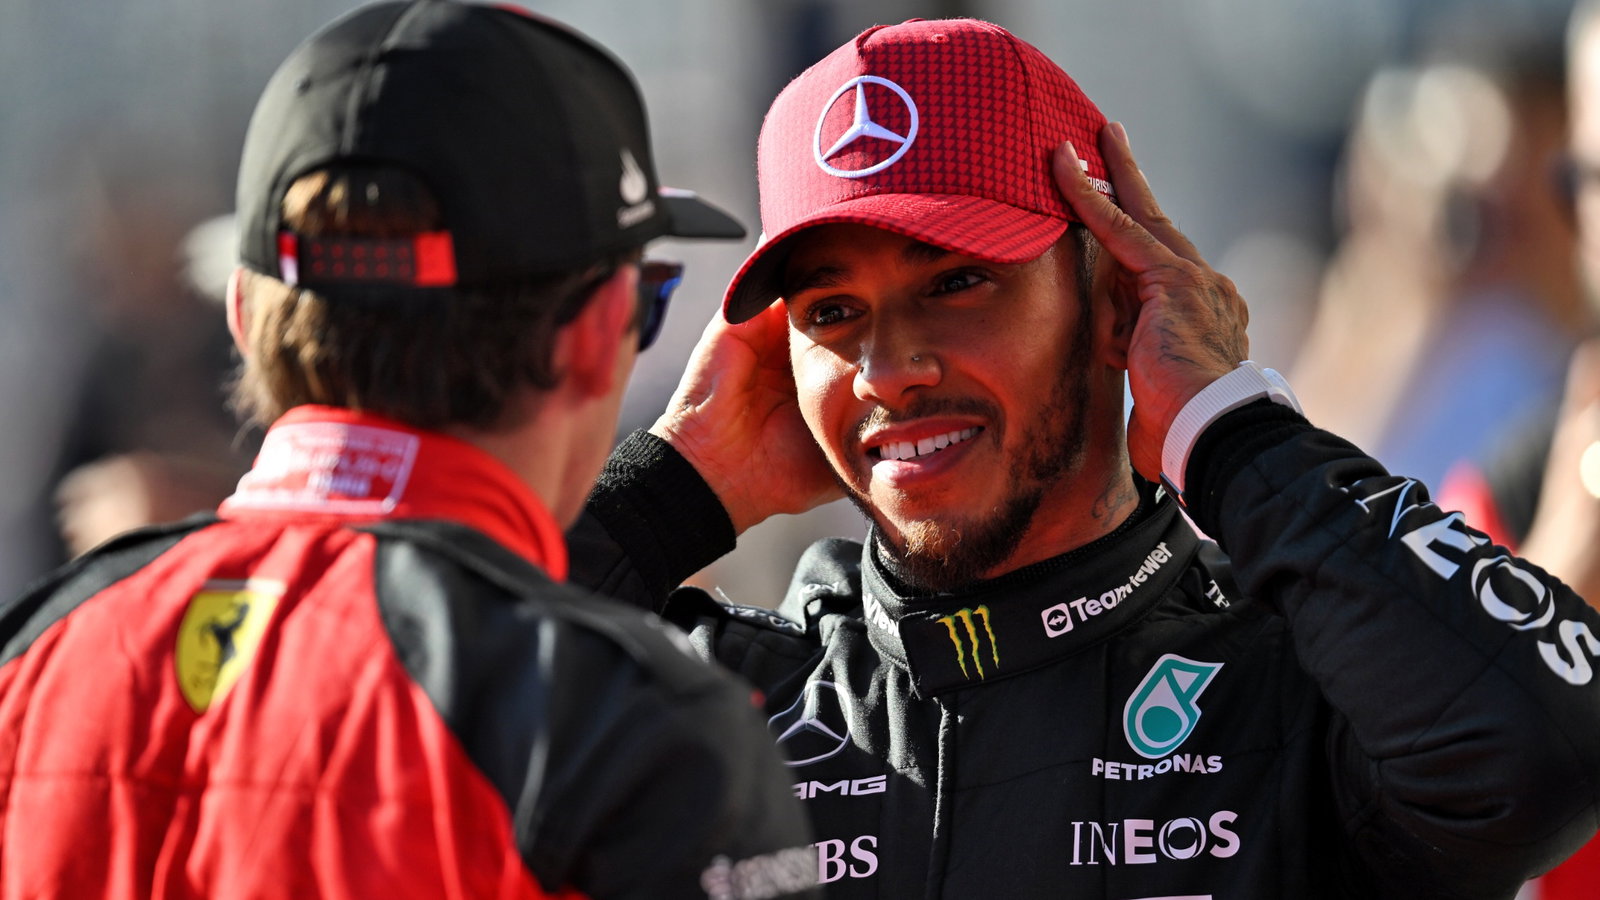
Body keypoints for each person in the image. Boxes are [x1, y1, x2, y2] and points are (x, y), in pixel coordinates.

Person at [569, 18, 1600, 898]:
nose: (888, 370)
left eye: (956, 282)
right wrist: (667, 493)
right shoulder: (723, 705)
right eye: (831, 312)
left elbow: (1550, 748)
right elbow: (461, 730)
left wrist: (1229, 430)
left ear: (1115, 301)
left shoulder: (1306, 696)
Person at [0, 3, 819, 898]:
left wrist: (668, 500)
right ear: (596, 336)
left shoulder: (33, 655)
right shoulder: (638, 729)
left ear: (240, 316)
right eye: (645, 302)